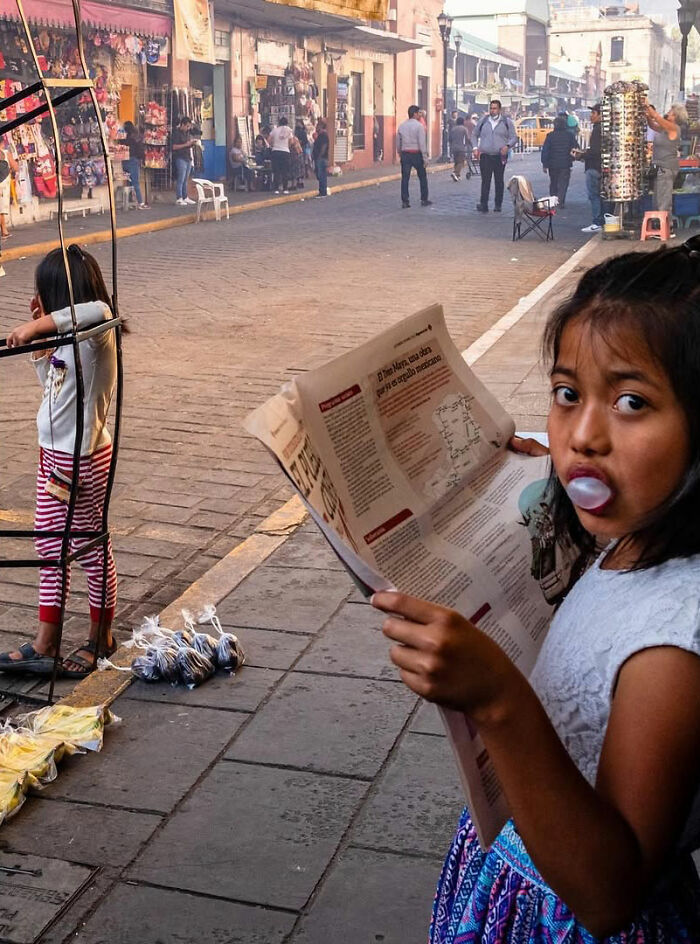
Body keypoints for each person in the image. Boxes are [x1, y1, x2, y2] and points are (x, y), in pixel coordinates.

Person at [372, 240, 700, 942]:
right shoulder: (637, 535)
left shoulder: (673, 645)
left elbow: (609, 893)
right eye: (566, 395)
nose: (583, 437)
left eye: (632, 402)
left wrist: (496, 699)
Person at [0, 246, 120, 678]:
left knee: (89, 547)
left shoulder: (97, 326)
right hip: (55, 455)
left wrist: (39, 323)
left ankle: (99, 638)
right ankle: (45, 642)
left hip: (80, 458)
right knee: (50, 546)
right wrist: (40, 345)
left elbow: (94, 308)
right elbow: (54, 388)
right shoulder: (69, 340)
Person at [473, 99, 517, 212]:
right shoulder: (483, 121)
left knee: (499, 180)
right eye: (491, 108)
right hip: (485, 155)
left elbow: (514, 137)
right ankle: (484, 204)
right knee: (485, 181)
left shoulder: (506, 122)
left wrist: (507, 146)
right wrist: (475, 148)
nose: (492, 110)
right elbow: (474, 134)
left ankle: (498, 204)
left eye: (495, 108)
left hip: (499, 156)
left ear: (499, 109)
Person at [646, 103, 686, 218]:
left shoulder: (674, 128)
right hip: (659, 167)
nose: (668, 113)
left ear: (676, 117)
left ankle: (667, 227)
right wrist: (647, 115)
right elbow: (653, 125)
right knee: (657, 199)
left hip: (666, 168)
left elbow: (657, 118)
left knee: (663, 201)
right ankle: (659, 225)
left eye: (671, 112)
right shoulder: (664, 129)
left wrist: (647, 105)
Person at [397, 105, 431, 209]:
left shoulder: (402, 126)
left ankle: (405, 201)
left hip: (405, 154)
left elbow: (398, 142)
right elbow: (422, 143)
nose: (420, 115)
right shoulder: (419, 126)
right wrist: (425, 158)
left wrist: (400, 153)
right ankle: (424, 199)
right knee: (422, 177)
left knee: (405, 178)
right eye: (419, 113)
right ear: (415, 114)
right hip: (416, 154)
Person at [541, 115, 577, 208]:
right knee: (563, 184)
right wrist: (573, 158)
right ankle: (560, 201)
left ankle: (553, 200)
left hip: (553, 164)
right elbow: (575, 148)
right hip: (565, 164)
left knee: (553, 182)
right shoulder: (570, 135)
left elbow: (545, 150)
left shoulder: (550, 136)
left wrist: (545, 164)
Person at [579, 102, 603, 233]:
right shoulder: (602, 129)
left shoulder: (597, 130)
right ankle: (600, 221)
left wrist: (582, 155)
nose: (591, 116)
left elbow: (594, 151)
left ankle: (597, 222)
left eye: (593, 113)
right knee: (598, 196)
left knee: (594, 195)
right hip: (599, 167)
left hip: (594, 167)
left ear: (600, 115)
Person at [121, 121, 148, 209]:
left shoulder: (122, 139)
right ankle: (140, 202)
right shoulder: (135, 139)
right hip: (133, 160)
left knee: (128, 182)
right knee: (135, 182)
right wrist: (142, 159)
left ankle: (129, 202)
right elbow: (139, 151)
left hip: (124, 161)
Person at [171, 115, 196, 206]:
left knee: (186, 179)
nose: (188, 128)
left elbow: (187, 144)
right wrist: (186, 144)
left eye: (189, 126)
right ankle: (179, 197)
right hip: (180, 158)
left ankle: (185, 197)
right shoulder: (176, 133)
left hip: (187, 157)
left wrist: (192, 144)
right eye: (187, 126)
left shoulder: (187, 133)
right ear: (182, 125)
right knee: (180, 179)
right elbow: (174, 147)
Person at [268, 117, 294, 194]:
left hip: (275, 151)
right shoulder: (289, 130)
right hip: (285, 152)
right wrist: (287, 146)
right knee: (285, 171)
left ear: (279, 122)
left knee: (276, 171)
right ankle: (285, 188)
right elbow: (291, 141)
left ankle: (276, 188)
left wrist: (273, 145)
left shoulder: (275, 130)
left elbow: (269, 139)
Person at [0, 147, 17, 238]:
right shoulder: (6, 153)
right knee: (1, 209)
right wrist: (9, 170)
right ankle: (4, 231)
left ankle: (4, 230)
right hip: (3, 184)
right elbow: (15, 167)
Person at [312, 117, 330, 198]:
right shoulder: (320, 135)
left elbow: (324, 146)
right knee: (320, 175)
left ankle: (323, 192)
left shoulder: (324, 135)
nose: (316, 127)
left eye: (318, 125)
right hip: (320, 158)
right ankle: (322, 191)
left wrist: (319, 156)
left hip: (321, 158)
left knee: (321, 175)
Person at [449, 117, 470, 182]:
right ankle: (455, 173)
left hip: (454, 148)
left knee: (456, 161)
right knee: (461, 161)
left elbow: (449, 139)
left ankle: (457, 176)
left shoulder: (453, 129)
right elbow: (467, 138)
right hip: (461, 147)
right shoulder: (464, 129)